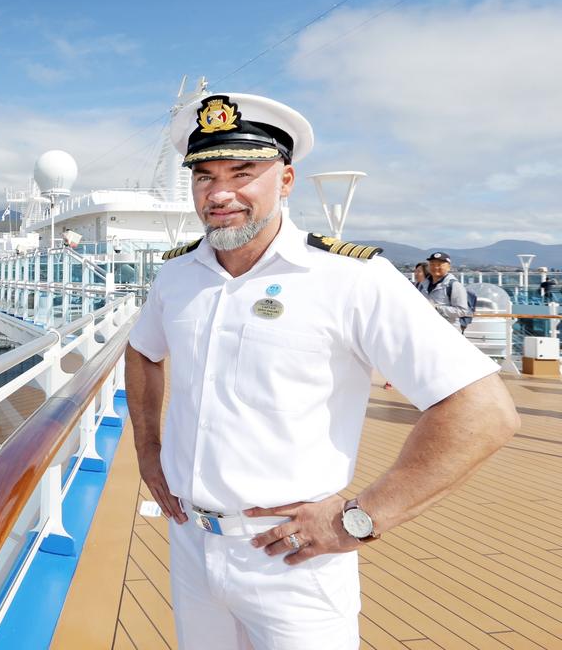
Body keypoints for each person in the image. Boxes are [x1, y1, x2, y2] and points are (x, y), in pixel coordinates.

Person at [125, 91, 518, 650]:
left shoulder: (352, 278)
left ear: (285, 181)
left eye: (243, 172)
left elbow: (484, 412)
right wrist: (148, 448)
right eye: (204, 175)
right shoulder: (178, 276)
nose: (220, 193)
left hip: (294, 561)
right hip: (191, 542)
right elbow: (142, 351)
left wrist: (362, 516)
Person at [418, 252, 470, 330]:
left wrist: (437, 308)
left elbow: (462, 311)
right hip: (425, 330)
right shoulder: (422, 285)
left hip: (447, 331)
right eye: (432, 264)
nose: (435, 267)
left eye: (439, 264)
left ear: (448, 267)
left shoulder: (454, 285)